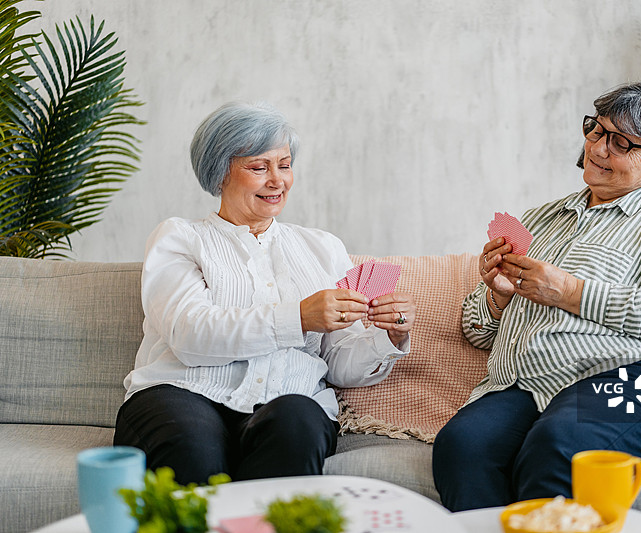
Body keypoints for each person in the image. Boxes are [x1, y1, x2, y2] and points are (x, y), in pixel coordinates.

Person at [432, 82, 641, 512]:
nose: (599, 149)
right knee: (461, 448)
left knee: (560, 447)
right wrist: (499, 297)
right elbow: (477, 331)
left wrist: (570, 292)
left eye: (620, 142)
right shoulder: (540, 219)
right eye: (596, 130)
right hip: (529, 382)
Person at [114, 101, 416, 485]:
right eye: (259, 168)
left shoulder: (324, 248)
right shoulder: (180, 238)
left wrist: (389, 336)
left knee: (297, 427)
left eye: (285, 165)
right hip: (182, 393)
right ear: (219, 172)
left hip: (288, 401)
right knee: (193, 447)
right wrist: (299, 317)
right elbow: (189, 335)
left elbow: (339, 364)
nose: (278, 180)